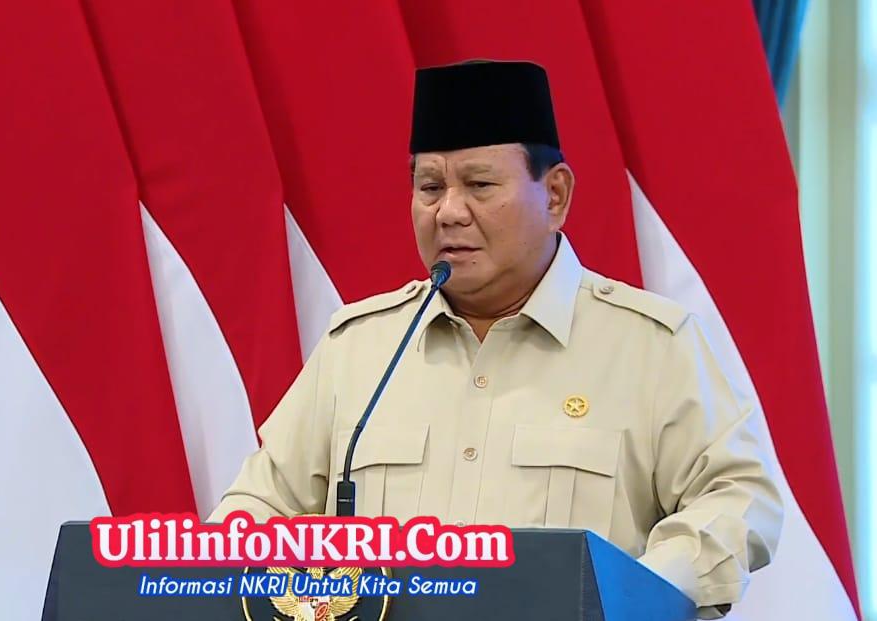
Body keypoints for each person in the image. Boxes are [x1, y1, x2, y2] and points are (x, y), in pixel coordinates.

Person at [207, 60, 782, 618]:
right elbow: (254, 513)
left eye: (479, 185)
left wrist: (630, 596)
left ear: (554, 196)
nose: (448, 212)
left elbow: (738, 499)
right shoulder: (360, 348)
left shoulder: (651, 347)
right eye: (430, 187)